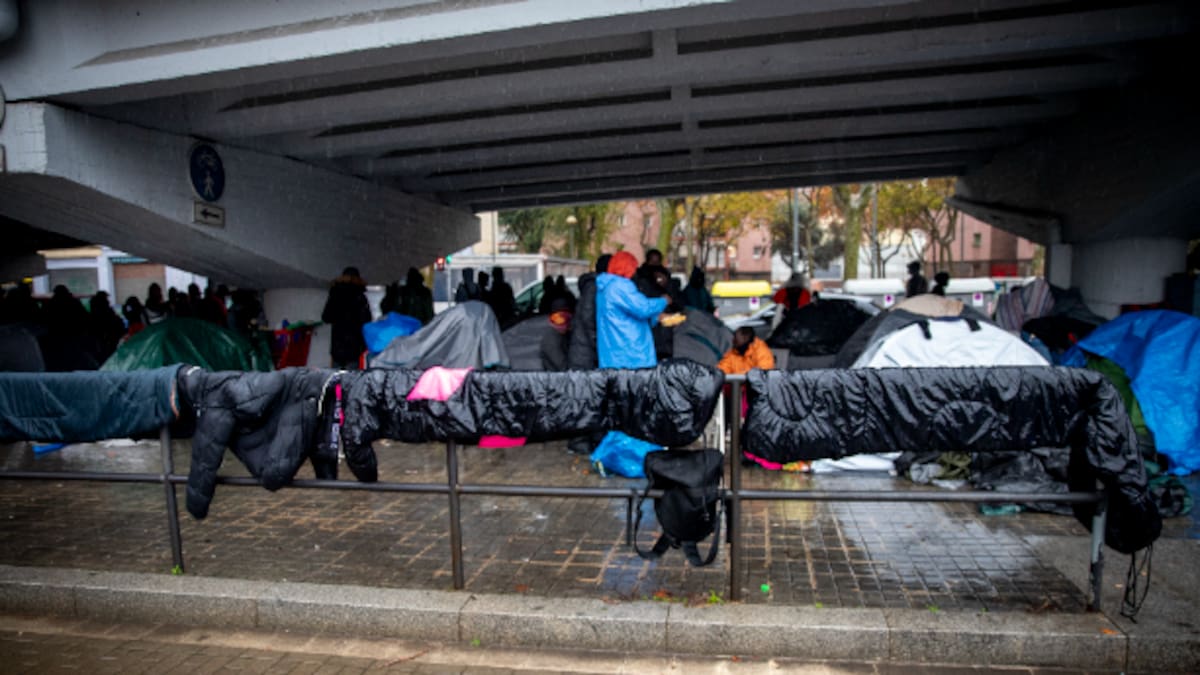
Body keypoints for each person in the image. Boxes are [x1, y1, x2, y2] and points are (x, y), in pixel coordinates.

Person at [596, 251, 668, 369]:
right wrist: (663, 301)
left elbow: (624, 315)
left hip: (612, 353)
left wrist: (655, 317)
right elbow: (643, 308)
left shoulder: (604, 287)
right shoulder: (620, 286)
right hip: (630, 355)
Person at [321, 266, 373, 369]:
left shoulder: (335, 294)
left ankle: (337, 385)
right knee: (351, 380)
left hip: (337, 345)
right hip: (354, 346)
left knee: (335, 379)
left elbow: (326, 317)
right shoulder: (360, 296)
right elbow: (367, 319)